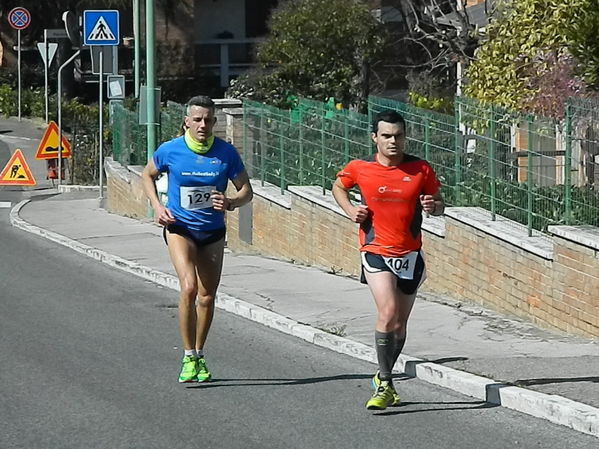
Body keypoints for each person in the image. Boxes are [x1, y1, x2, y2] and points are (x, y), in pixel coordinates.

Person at [332, 110, 444, 410]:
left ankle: (385, 376)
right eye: (386, 136)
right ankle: (385, 382)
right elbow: (338, 186)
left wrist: (434, 206)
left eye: (398, 136)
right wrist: (349, 210)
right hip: (376, 251)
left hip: (410, 253)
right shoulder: (360, 168)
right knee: (388, 311)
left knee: (400, 325)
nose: (393, 141)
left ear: (405, 136)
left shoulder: (420, 169)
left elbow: (439, 205)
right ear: (375, 138)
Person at [142, 95, 253, 383]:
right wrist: (157, 205)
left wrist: (229, 202)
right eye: (197, 119)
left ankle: (199, 354)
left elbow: (246, 192)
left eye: (208, 119)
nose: (203, 124)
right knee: (189, 288)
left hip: (213, 231)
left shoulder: (226, 154)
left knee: (207, 296)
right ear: (187, 122)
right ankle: (187, 355)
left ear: (214, 122)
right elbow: (147, 175)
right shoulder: (171, 150)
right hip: (180, 227)